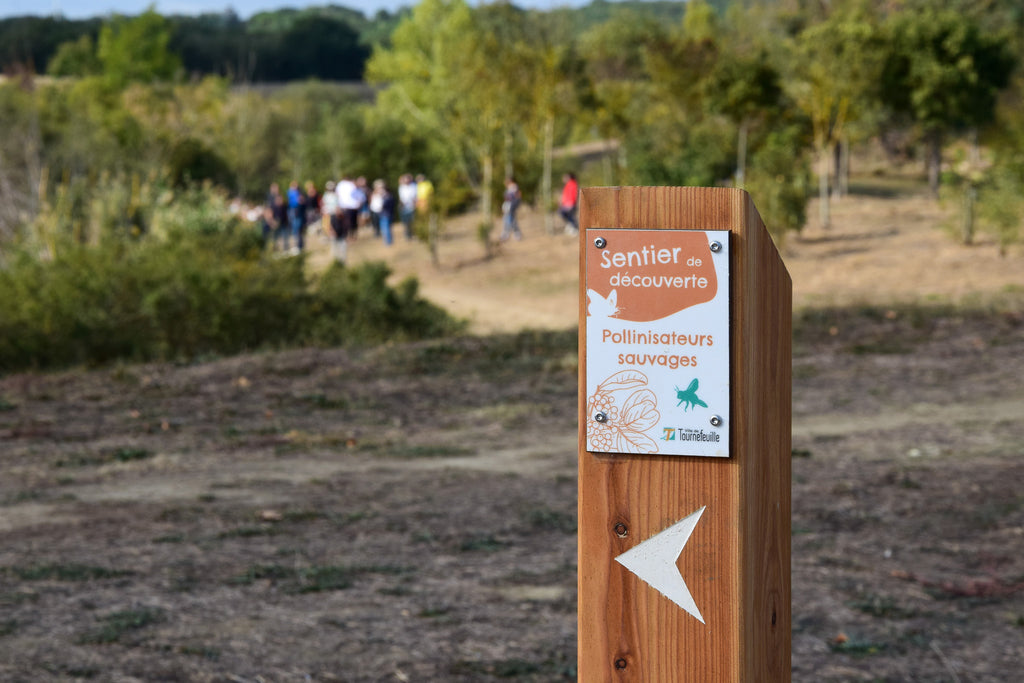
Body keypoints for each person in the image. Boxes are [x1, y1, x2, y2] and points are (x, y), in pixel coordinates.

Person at [322, 180, 348, 264]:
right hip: (330, 216)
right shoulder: (326, 196)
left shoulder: (336, 196)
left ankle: (341, 260)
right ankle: (335, 259)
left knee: (341, 243)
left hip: (336, 218)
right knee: (334, 241)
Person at [336, 175, 362, 241]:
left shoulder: (340, 185)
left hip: (345, 207)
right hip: (353, 207)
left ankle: (348, 235)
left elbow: (337, 195)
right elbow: (357, 195)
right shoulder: (351, 185)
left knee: (346, 222)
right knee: (353, 222)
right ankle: (352, 235)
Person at [370, 179, 395, 246]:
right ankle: (387, 241)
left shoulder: (387, 195)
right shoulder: (376, 195)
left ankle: (388, 242)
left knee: (386, 227)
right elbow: (374, 205)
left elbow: (386, 204)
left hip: (386, 213)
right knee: (383, 228)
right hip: (380, 213)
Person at [286, 180, 306, 253]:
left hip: (298, 211)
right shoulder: (291, 192)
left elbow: (301, 201)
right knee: (295, 229)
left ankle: (299, 245)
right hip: (294, 211)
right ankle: (296, 245)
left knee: (298, 229)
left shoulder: (298, 193)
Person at [500, 176, 522, 242]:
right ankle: (514, 233)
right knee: (508, 219)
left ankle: (513, 233)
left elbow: (516, 198)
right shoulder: (510, 189)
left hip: (511, 206)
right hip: (508, 206)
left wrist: (512, 206)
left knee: (510, 220)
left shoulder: (514, 188)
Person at [398, 173, 418, 240]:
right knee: (406, 222)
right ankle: (407, 235)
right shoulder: (401, 187)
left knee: (413, 222)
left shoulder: (414, 186)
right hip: (404, 207)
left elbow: (416, 196)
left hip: (413, 207)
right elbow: (401, 198)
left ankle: (414, 234)